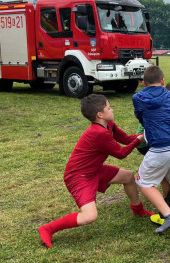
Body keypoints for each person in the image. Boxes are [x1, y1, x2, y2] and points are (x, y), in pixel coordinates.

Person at [38, 94, 151, 248]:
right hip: (78, 176)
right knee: (89, 216)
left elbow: (125, 139)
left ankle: (138, 210)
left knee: (128, 177)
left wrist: (145, 135)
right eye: (109, 108)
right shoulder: (99, 133)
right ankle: (47, 228)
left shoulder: (109, 125)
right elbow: (121, 153)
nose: (112, 110)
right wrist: (139, 140)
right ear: (100, 115)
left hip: (94, 169)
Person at [133, 65, 170, 233]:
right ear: (163, 81)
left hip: (160, 147)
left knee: (143, 183)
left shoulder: (138, 98)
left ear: (144, 84)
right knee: (169, 176)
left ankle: (168, 215)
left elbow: (141, 117)